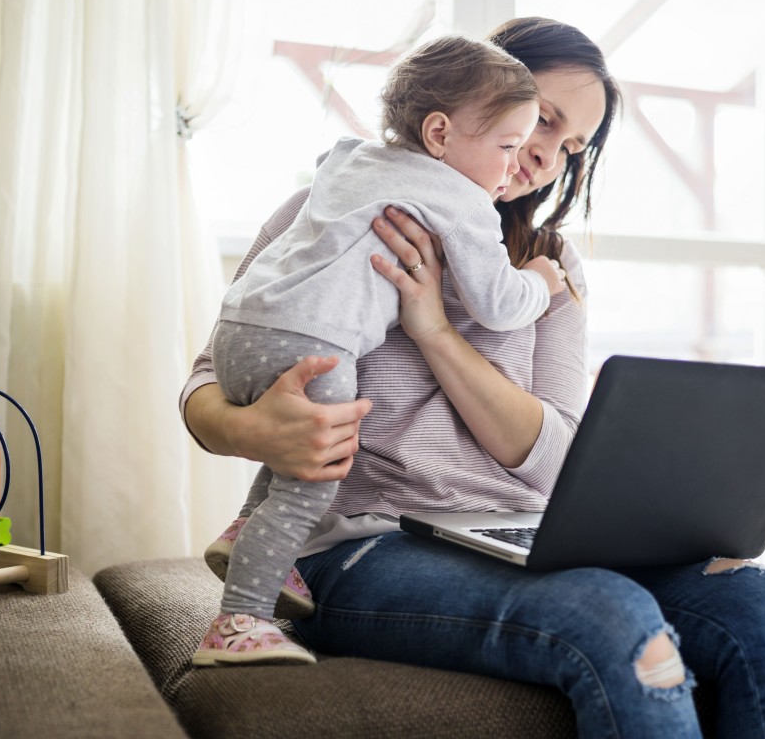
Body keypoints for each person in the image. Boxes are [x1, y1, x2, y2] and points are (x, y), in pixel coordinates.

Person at [182, 17, 765, 736]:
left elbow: (556, 455)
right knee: (606, 610)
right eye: (544, 122)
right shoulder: (345, 203)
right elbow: (208, 380)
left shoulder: (546, 271)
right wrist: (255, 430)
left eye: (570, 147)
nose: (545, 158)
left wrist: (433, 327)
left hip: (520, 530)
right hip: (364, 543)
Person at [192, 34, 567, 666]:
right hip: (315, 345)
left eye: (570, 147)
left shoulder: (349, 160)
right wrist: (542, 283)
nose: (526, 162)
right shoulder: (462, 201)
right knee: (313, 481)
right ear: (441, 134)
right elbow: (499, 303)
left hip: (242, 331)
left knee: (303, 448)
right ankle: (239, 621)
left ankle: (246, 530)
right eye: (513, 142)